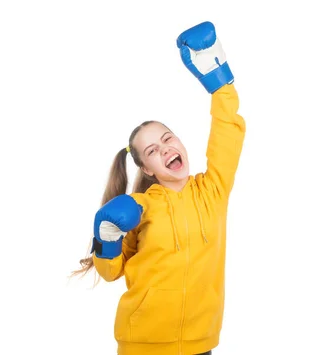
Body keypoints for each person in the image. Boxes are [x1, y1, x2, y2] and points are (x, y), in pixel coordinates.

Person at [71, 21, 246, 355]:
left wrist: (218, 81)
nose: (164, 149)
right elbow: (111, 272)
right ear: (146, 168)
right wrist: (106, 238)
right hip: (142, 345)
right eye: (152, 151)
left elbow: (229, 133)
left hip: (200, 343)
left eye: (167, 139)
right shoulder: (139, 209)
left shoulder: (213, 191)